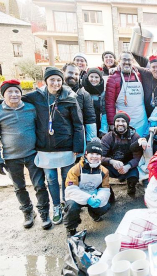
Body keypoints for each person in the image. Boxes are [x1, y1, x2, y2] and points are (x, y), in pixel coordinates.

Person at [24, 67, 84, 224]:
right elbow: (15, 100)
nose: (56, 83)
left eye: (59, 80)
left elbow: (78, 124)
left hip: (66, 145)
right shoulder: (36, 96)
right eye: (52, 79)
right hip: (45, 147)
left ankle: (65, 204)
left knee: (66, 178)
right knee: (50, 178)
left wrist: (78, 147)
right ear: (46, 81)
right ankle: (56, 206)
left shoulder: (70, 97)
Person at [0, 80, 52, 229]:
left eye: (17, 91)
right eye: (10, 92)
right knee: (19, 187)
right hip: (11, 158)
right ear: (4, 94)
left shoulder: (30, 108)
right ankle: (28, 212)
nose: (14, 94)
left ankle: (44, 213)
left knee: (40, 185)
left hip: (32, 155)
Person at [63, 138, 111, 237]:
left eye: (97, 154)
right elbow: (71, 189)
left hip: (94, 196)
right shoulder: (75, 169)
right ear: (86, 154)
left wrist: (99, 198)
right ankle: (71, 228)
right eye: (91, 153)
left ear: (101, 157)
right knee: (71, 206)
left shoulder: (104, 171)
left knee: (105, 206)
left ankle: (94, 214)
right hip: (77, 197)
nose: (94, 156)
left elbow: (105, 189)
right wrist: (87, 198)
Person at [106, 51, 148, 137]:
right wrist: (112, 122)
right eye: (124, 59)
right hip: (122, 121)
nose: (127, 62)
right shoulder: (113, 78)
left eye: (129, 60)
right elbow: (109, 103)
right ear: (119, 61)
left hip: (141, 119)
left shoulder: (138, 75)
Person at [101, 111, 141, 195]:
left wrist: (128, 166)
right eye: (118, 121)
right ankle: (108, 191)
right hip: (112, 165)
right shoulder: (107, 137)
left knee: (134, 175)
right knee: (100, 171)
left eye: (123, 121)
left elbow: (138, 157)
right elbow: (99, 156)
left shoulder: (135, 137)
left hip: (128, 165)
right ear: (114, 123)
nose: (120, 123)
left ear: (127, 123)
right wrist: (111, 161)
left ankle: (131, 186)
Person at [63, 63, 97, 143]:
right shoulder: (54, 92)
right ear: (63, 72)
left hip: (77, 137)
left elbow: (90, 119)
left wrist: (90, 142)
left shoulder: (84, 94)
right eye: (70, 72)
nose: (73, 76)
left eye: (76, 74)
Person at [81, 68, 105, 138]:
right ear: (87, 77)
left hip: (98, 124)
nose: (94, 79)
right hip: (84, 124)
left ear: (100, 79)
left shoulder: (103, 93)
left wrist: (103, 129)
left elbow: (104, 112)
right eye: (91, 76)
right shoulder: (82, 90)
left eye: (96, 77)